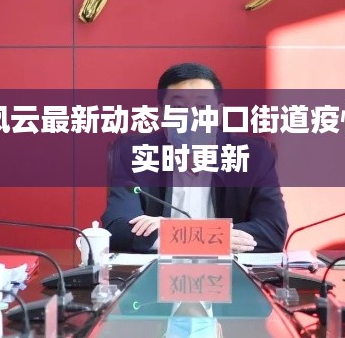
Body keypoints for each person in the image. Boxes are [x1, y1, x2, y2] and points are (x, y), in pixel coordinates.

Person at [102, 62, 288, 253]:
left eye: (202, 106)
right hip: (156, 269)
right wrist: (214, 238)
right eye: (178, 107)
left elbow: (273, 230)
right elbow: (116, 228)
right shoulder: (135, 154)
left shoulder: (253, 156)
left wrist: (181, 234)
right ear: (162, 114)